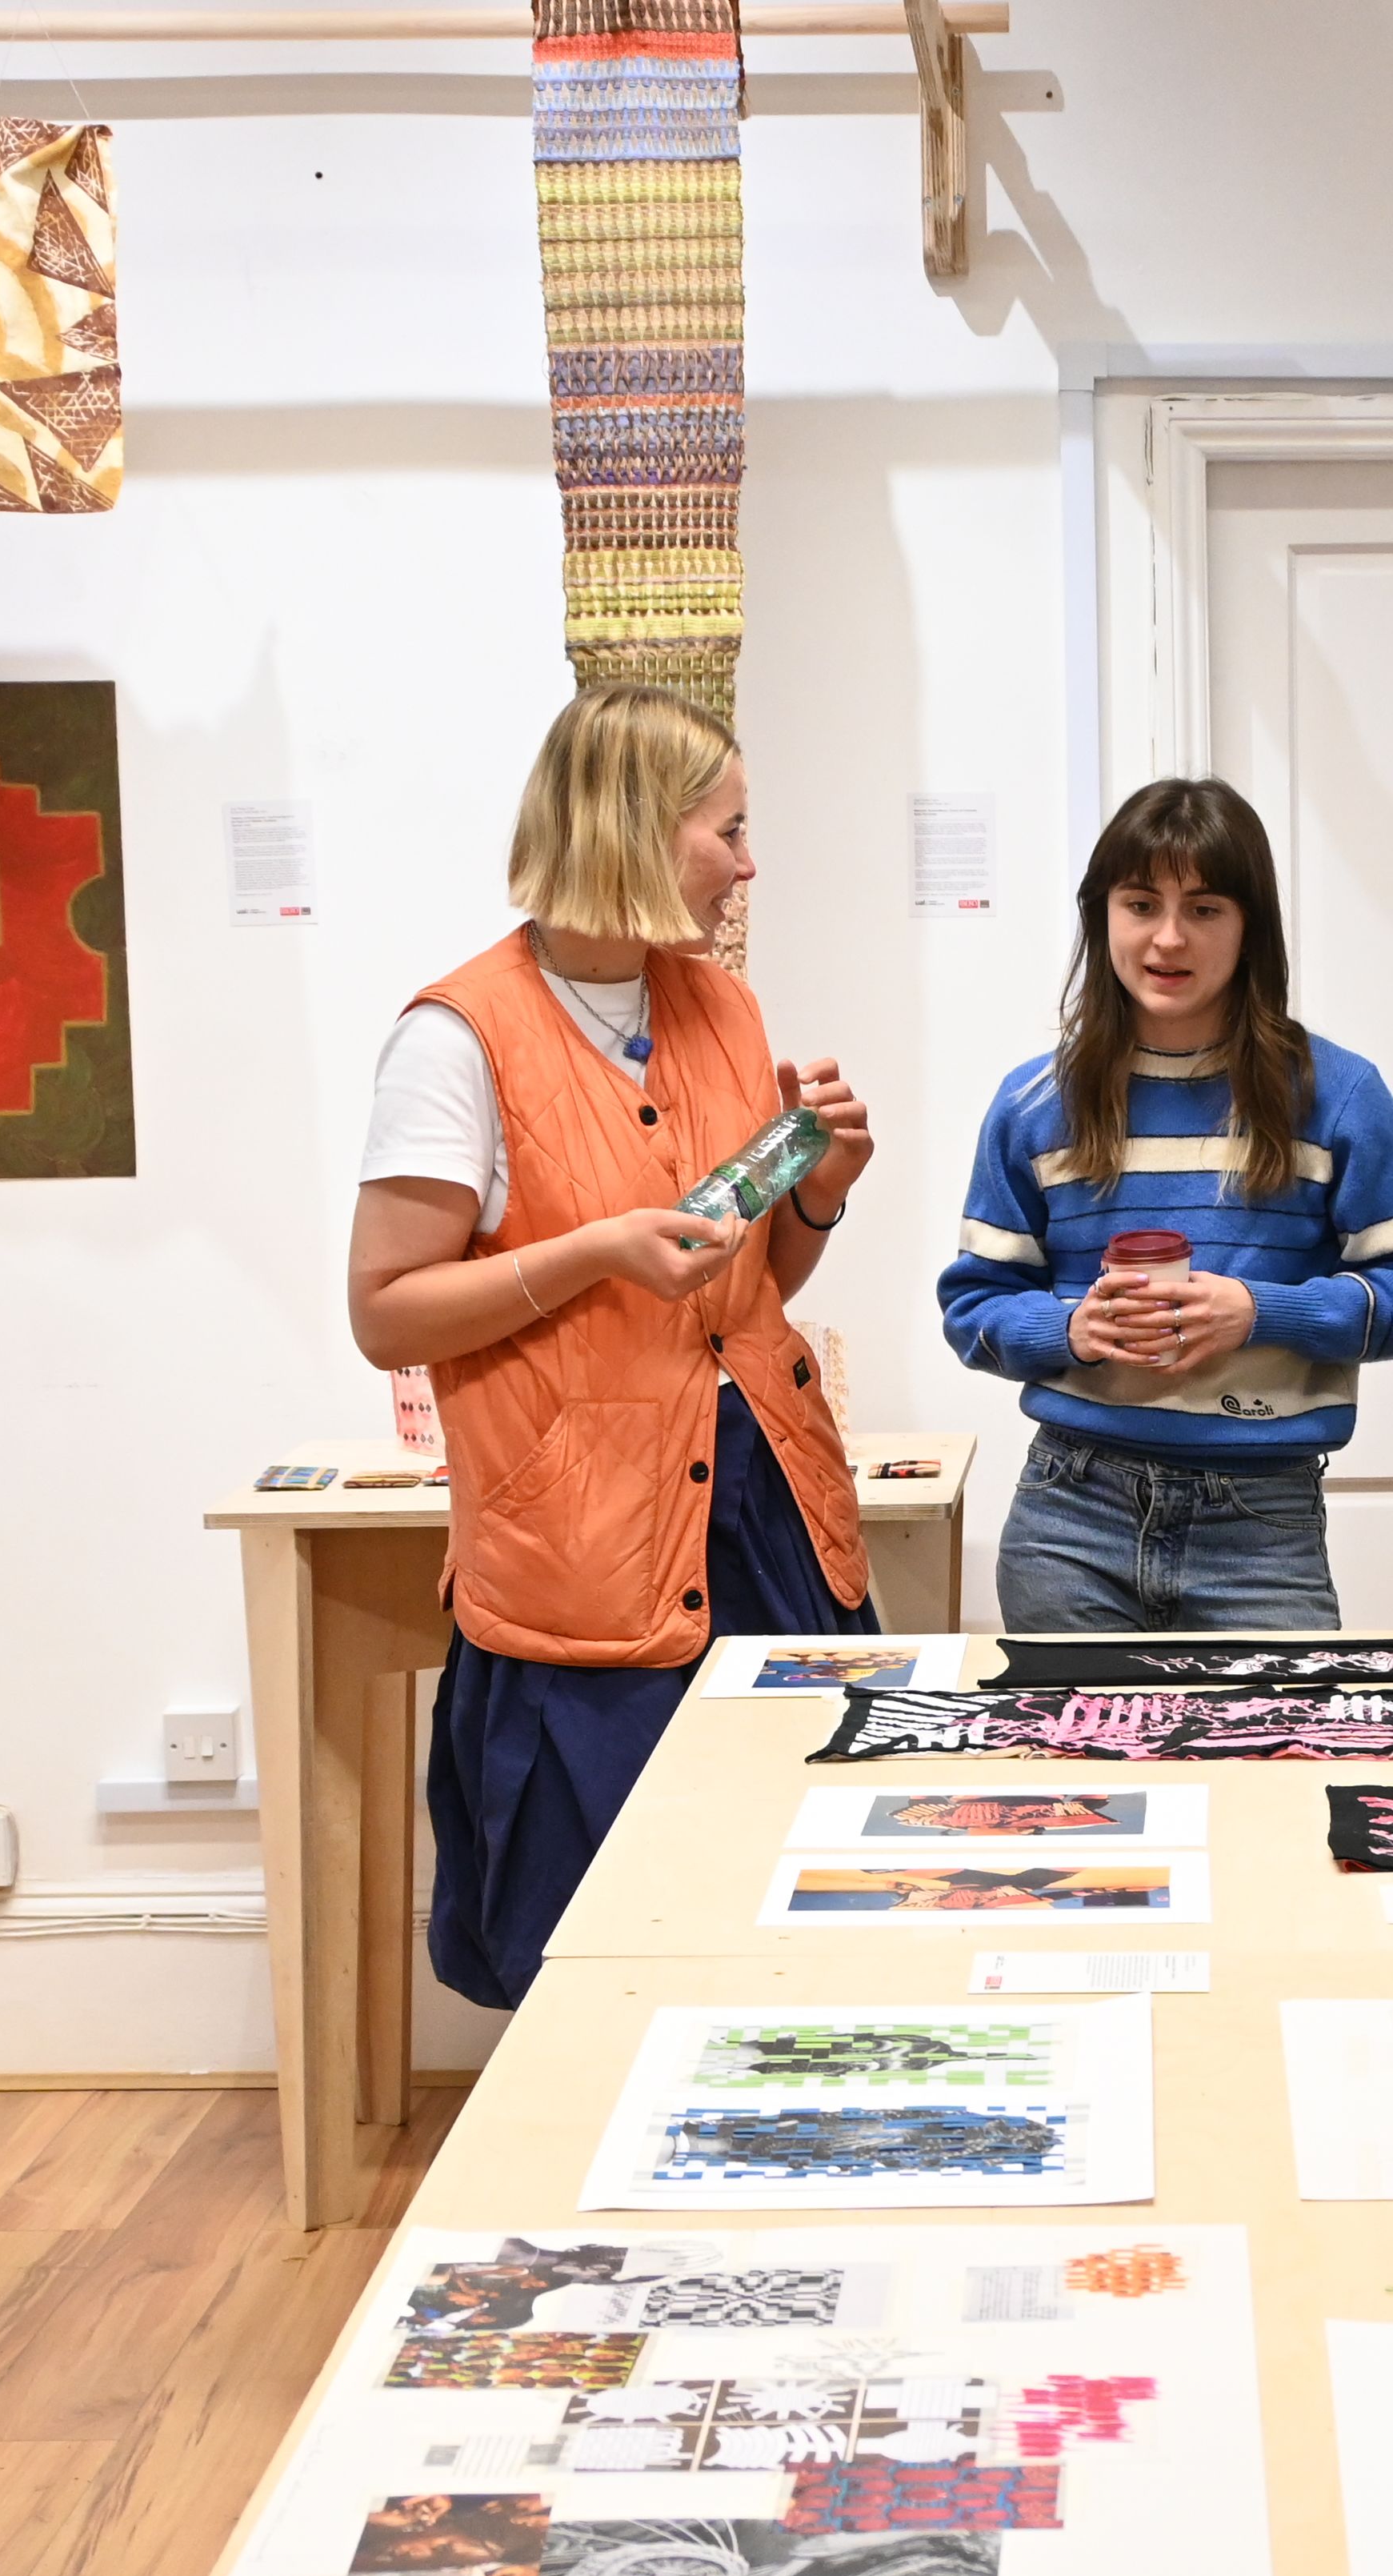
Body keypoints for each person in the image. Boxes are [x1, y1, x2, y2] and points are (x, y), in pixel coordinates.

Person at [347, 683, 875, 2008]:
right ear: (637, 829)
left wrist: (818, 1191)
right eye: (728, 829)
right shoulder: (453, 1040)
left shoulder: (725, 1010)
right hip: (583, 1559)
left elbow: (748, 1280)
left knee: (795, 1927)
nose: (747, 864)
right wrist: (589, 1252)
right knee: (601, 1962)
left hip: (769, 1523)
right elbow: (385, 1310)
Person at [938, 778, 1393, 1630]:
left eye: (1205, 908)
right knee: (1080, 1731)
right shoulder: (1032, 1104)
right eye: (1141, 904)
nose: (1169, 937)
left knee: (1280, 1727)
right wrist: (1072, 1329)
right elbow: (973, 1307)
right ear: (1102, 915)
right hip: (1069, 1519)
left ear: (1251, 927)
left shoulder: (1339, 1095)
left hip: (1263, 1526)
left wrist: (1260, 1312)